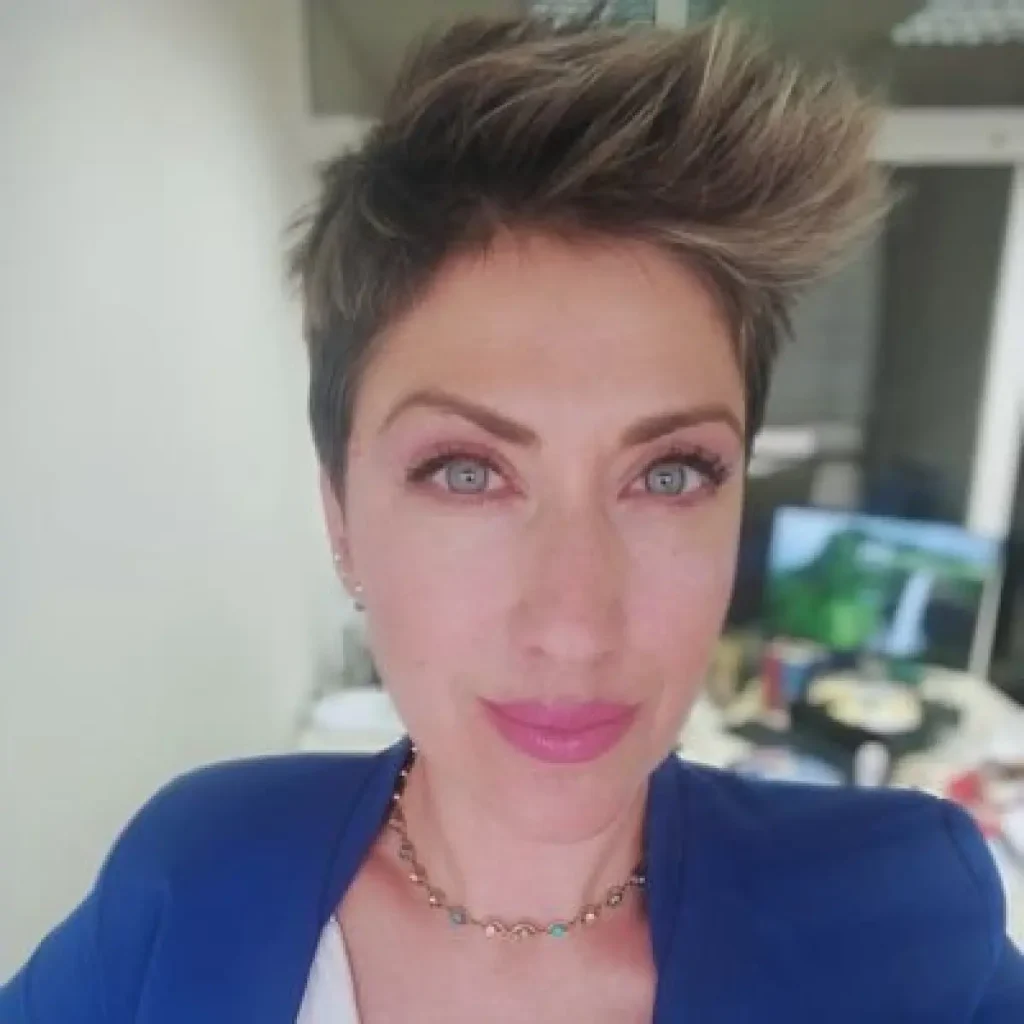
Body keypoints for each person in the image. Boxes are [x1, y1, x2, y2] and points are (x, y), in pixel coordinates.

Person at [3, 13, 1022, 1024]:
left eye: (670, 474)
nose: (574, 627)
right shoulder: (195, 877)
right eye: (465, 472)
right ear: (341, 518)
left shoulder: (897, 924)